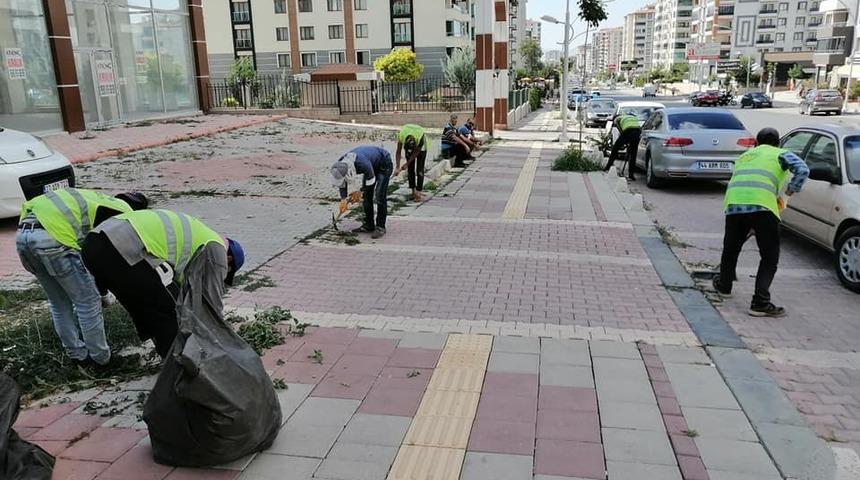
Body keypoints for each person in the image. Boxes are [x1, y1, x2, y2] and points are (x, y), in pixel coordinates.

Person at [81, 209, 245, 358]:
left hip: (93, 245)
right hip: (120, 245)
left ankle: (171, 362)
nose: (221, 275)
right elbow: (212, 306)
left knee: (147, 309)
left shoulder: (200, 238)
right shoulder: (217, 249)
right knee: (167, 312)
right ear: (229, 259)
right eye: (226, 272)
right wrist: (225, 347)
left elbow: (181, 291)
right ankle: (180, 370)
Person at [16, 189, 148, 366]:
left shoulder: (96, 200)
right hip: (53, 237)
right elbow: (103, 259)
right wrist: (102, 294)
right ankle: (101, 360)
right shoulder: (123, 213)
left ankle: (77, 355)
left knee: (59, 302)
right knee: (87, 302)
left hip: (24, 236)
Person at [713, 128, 809, 317]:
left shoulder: (745, 156)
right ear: (778, 143)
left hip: (734, 205)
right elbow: (803, 169)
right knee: (769, 256)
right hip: (763, 208)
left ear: (757, 143)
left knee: (731, 249)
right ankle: (760, 303)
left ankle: (724, 286)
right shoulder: (780, 153)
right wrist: (789, 192)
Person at [331, 146, 393, 239]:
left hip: (383, 163)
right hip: (371, 164)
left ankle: (380, 227)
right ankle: (369, 225)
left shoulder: (361, 163)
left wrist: (360, 192)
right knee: (367, 197)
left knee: (379, 195)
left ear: (349, 172)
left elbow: (371, 179)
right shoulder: (340, 164)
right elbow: (342, 182)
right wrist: (343, 199)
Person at [395, 124, 428, 202]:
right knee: (410, 170)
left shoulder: (420, 137)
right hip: (410, 142)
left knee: (419, 170)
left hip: (421, 149)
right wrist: (397, 166)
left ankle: (419, 192)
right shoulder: (401, 135)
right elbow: (398, 151)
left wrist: (407, 163)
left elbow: (416, 152)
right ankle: (413, 192)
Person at [604, 111, 641, 180]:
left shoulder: (617, 119)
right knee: (633, 154)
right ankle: (631, 175)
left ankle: (608, 167)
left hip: (628, 131)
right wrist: (629, 143)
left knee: (615, 148)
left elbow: (621, 131)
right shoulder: (632, 117)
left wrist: (625, 143)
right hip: (637, 132)